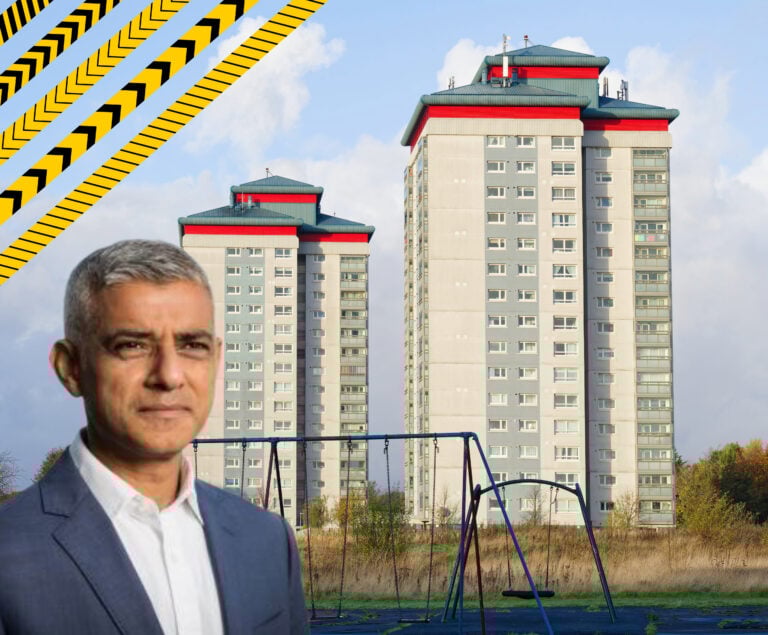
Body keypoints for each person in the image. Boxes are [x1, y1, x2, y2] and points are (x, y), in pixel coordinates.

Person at [0, 239, 308, 635]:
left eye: (192, 345)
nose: (169, 375)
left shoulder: (267, 540)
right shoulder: (9, 553)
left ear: (216, 359)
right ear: (71, 367)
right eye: (132, 345)